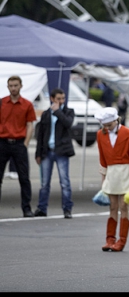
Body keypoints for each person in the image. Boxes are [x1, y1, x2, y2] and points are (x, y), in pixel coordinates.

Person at [95, 107, 129, 251]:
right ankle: (110, 239)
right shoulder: (100, 134)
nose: (107, 128)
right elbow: (102, 157)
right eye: (105, 126)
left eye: (109, 125)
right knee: (112, 206)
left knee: (123, 206)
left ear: (116, 120)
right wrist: (103, 177)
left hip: (125, 171)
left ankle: (121, 241)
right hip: (111, 172)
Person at [33, 88, 75, 218]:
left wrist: (57, 112)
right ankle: (42, 208)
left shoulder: (68, 111)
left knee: (64, 182)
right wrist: (38, 153)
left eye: (63, 98)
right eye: (58, 99)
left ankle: (67, 208)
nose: (61, 101)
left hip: (62, 151)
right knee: (44, 182)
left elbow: (68, 123)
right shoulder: (46, 114)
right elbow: (40, 135)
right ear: (52, 99)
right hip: (47, 151)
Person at [0, 75, 36, 218]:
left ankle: (26, 208)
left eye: (16, 85)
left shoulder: (27, 104)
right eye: (11, 86)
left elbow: (30, 125)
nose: (13, 88)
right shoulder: (2, 103)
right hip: (2, 143)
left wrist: (26, 144)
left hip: (19, 143)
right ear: (8, 87)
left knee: (24, 178)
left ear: (21, 86)